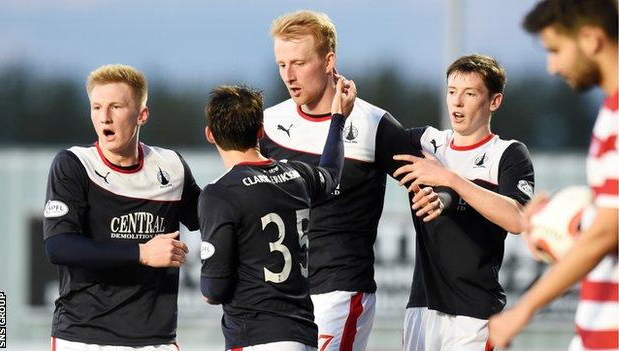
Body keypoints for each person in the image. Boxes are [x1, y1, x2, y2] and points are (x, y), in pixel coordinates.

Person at [260, 10, 447, 351]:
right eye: (281, 64)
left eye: (299, 63)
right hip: (279, 295)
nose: (289, 75)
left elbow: (428, 181)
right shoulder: (269, 123)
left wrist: (435, 195)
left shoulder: (374, 123)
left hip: (340, 290)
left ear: (328, 60)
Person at [488, 1, 618, 350]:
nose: (552, 66)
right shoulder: (609, 113)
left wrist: (522, 310)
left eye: (556, 50)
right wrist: (556, 220)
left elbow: (609, 230)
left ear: (591, 39)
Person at [43, 64, 200, 350]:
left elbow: (212, 218)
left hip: (156, 340)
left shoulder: (171, 167)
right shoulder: (75, 164)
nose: (104, 117)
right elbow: (59, 246)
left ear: (141, 115)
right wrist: (141, 253)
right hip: (83, 336)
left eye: (115, 106)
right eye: (96, 107)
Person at [198, 80, 355, 350]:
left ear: (210, 134)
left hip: (255, 337)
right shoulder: (297, 175)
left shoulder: (220, 193)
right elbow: (330, 174)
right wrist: (338, 119)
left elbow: (214, 289)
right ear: (260, 131)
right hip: (303, 335)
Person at [393, 54, 535, 351]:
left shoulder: (508, 153)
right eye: (451, 91)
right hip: (421, 308)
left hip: (475, 315)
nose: (457, 102)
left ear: (494, 101)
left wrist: (450, 179)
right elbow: (370, 139)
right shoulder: (426, 142)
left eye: (469, 94)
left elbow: (519, 219)